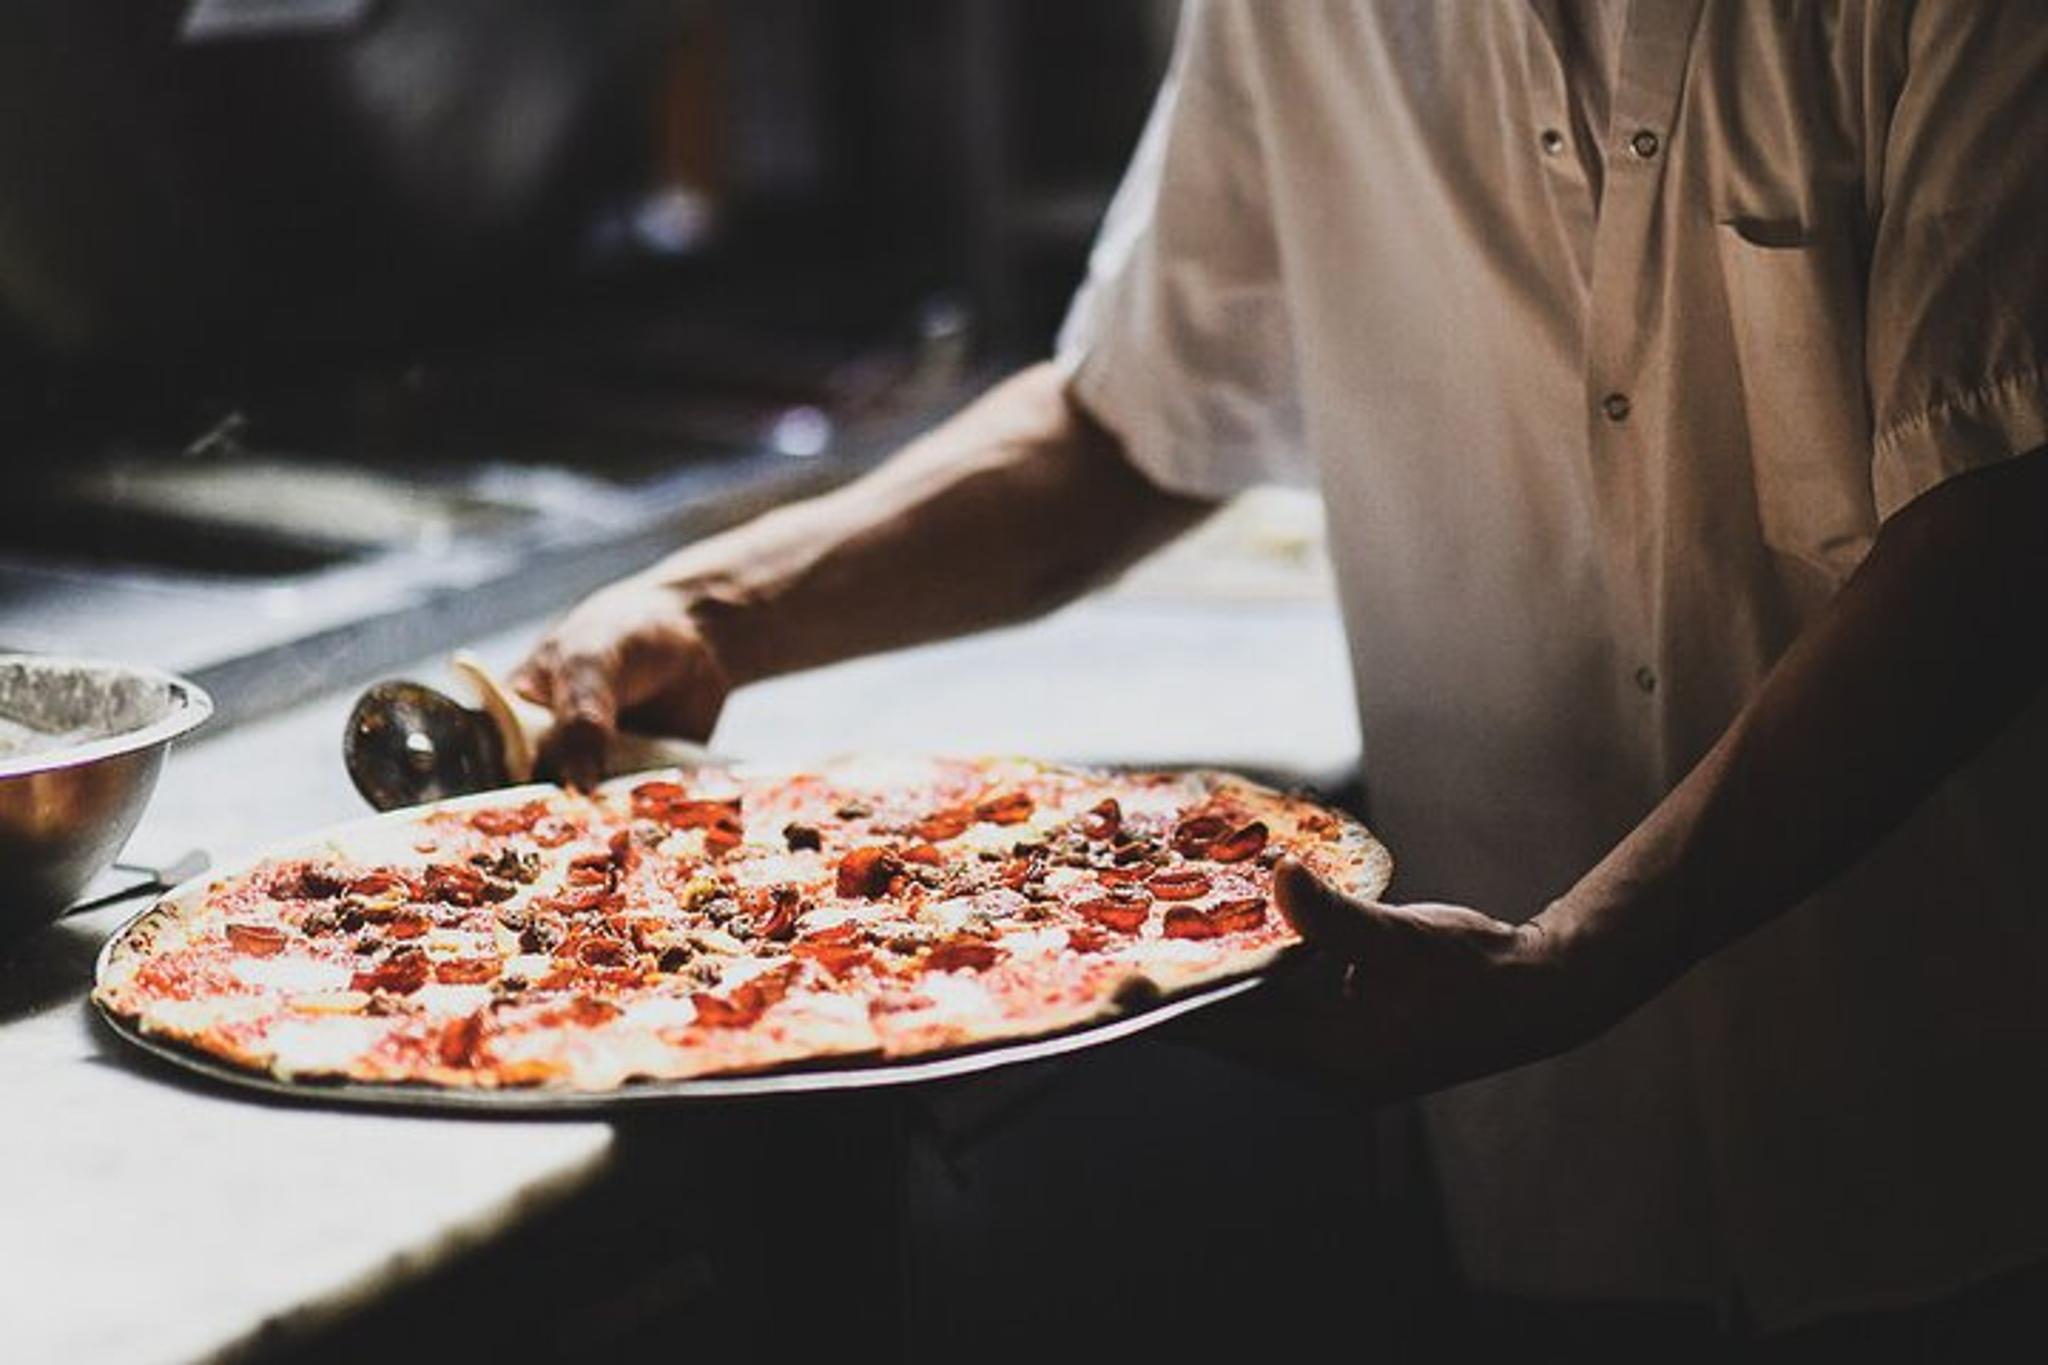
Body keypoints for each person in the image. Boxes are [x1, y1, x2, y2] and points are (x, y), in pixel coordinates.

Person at [513, 1, 2048, 1348]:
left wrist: (1583, 951)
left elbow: (1995, 531)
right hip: (1538, 1166)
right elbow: (1132, 418)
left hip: (1943, 1123)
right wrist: (713, 609)